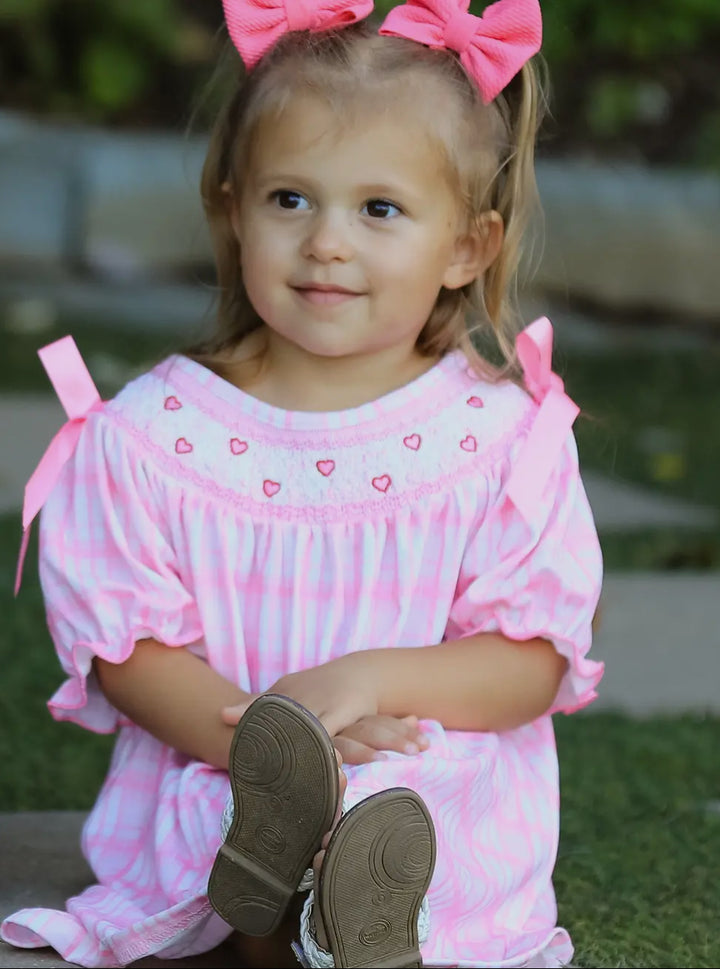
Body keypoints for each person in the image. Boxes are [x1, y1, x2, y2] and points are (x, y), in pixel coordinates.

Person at [1, 0, 605, 965]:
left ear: (467, 246)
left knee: (401, 806)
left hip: (412, 766)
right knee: (244, 816)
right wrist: (270, 746)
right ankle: (287, 893)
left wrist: (363, 683)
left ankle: (345, 906)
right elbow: (131, 649)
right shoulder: (154, 435)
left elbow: (529, 661)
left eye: (379, 209)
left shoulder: (502, 441)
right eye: (291, 199)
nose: (327, 241)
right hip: (223, 751)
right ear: (234, 207)